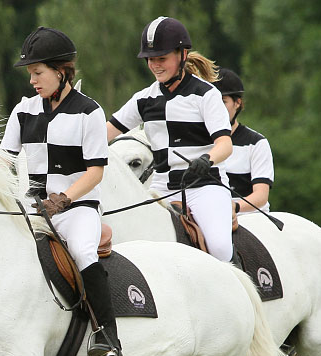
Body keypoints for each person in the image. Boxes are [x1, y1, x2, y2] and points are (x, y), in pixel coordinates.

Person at [2, 27, 123, 356]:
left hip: (77, 208)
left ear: (61, 70)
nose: (32, 81)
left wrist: (64, 200)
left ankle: (107, 336)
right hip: (32, 208)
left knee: (84, 251)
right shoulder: (23, 111)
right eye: (30, 74)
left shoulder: (89, 112)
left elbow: (95, 172)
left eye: (38, 73)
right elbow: (2, 162)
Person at [106, 16, 234, 262]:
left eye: (161, 58)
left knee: (219, 248)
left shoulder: (206, 95)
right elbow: (106, 132)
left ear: (182, 54)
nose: (155, 65)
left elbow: (225, 145)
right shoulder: (143, 99)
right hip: (161, 188)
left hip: (204, 186)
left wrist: (206, 160)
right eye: (151, 60)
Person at [212, 67, 274, 213]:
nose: (216, 109)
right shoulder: (198, 142)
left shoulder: (257, 143)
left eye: (223, 102)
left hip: (247, 216)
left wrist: (234, 207)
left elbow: (261, 195)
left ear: (237, 103)